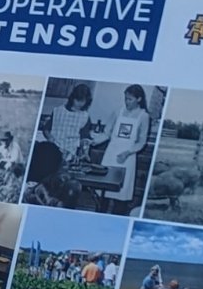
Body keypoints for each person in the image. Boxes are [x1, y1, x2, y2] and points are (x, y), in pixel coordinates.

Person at [99, 84, 154, 214]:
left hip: (127, 158)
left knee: (121, 195)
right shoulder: (118, 111)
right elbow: (107, 133)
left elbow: (142, 141)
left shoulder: (143, 116)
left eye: (130, 99)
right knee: (103, 193)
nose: (126, 102)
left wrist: (128, 153)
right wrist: (92, 141)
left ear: (139, 99)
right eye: (126, 99)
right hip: (110, 155)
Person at [44, 83, 97, 161]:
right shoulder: (58, 111)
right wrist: (49, 137)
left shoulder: (85, 116)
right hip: (53, 149)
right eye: (77, 100)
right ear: (72, 98)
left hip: (71, 153)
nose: (79, 103)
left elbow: (84, 137)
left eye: (83, 101)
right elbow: (46, 129)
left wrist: (85, 150)